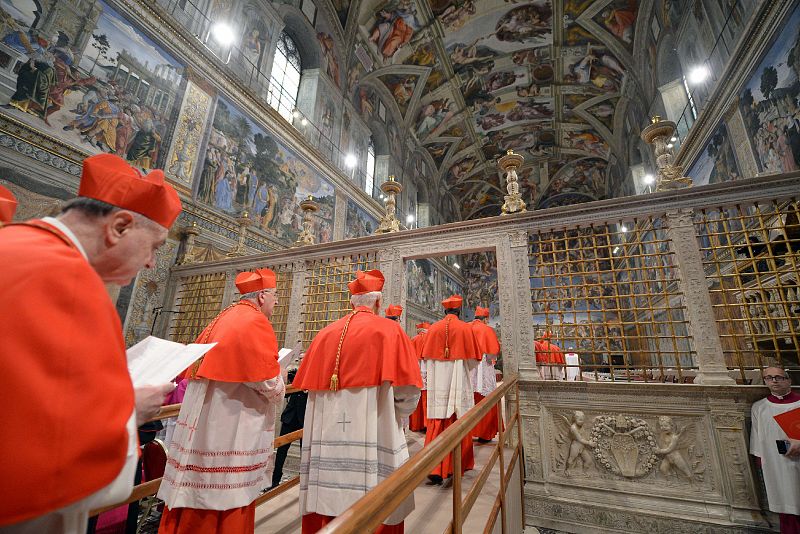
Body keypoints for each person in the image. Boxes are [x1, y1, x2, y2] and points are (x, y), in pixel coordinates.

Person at [0, 153, 181, 533]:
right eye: (156, 246)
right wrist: (131, 409)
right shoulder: (71, 280)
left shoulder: (12, 242)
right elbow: (55, 451)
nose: (151, 263)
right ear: (119, 227)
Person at [158, 269, 286, 534]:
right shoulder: (254, 322)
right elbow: (268, 384)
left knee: (197, 492)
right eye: (274, 295)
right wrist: (282, 377)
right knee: (223, 498)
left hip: (207, 426)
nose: (277, 301)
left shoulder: (223, 317)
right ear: (262, 296)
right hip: (228, 426)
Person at [293, 269, 422, 533]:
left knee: (328, 497)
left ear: (351, 302)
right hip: (376, 431)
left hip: (327, 438)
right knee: (376, 501)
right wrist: (397, 414)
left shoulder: (325, 334)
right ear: (378, 302)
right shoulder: (390, 331)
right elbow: (408, 392)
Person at [421, 295, 482, 485]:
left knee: (438, 418)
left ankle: (435, 466)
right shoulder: (465, 328)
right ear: (458, 311)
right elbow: (473, 361)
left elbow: (426, 358)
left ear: (444, 311)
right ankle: (457, 463)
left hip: (437, 380)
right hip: (458, 380)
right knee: (457, 417)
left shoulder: (433, 329)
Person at [750, 367, 800, 533]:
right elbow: (757, 439)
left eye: (779, 377)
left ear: (789, 380)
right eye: (769, 378)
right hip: (776, 463)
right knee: (786, 500)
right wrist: (761, 461)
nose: (774, 381)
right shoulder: (759, 407)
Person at [271, 367, 308, 489]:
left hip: (305, 417)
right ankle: (275, 480)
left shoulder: (313, 373)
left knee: (305, 451)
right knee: (281, 449)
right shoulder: (296, 373)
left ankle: (303, 481)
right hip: (290, 416)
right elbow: (285, 392)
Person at [470, 306, 501, 443]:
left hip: (466, 366)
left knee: (469, 396)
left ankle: (469, 431)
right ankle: (484, 432)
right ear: (486, 319)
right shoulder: (487, 330)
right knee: (485, 396)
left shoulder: (466, 327)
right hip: (482, 366)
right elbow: (491, 354)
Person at [408, 322, 430, 432]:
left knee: (416, 397)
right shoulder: (430, 339)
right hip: (428, 371)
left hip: (416, 371)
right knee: (427, 398)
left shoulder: (413, 339)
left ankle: (415, 424)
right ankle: (427, 424)